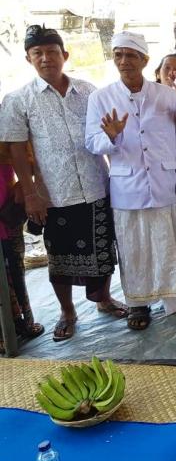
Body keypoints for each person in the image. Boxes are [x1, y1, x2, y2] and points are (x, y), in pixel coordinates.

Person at [0, 25, 125, 342]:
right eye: (38, 53)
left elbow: (105, 134)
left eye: (52, 52)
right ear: (28, 59)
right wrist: (31, 195)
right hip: (54, 194)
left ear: (64, 55)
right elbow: (17, 150)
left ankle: (104, 300)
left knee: (103, 250)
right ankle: (67, 312)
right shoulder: (18, 100)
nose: (46, 58)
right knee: (59, 259)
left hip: (96, 185)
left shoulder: (89, 91)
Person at [85, 32, 176, 329]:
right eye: (118, 55)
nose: (124, 61)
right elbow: (92, 142)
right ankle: (138, 304)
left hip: (163, 180)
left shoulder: (166, 94)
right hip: (127, 186)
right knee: (133, 247)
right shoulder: (100, 97)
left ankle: (175, 295)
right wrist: (111, 136)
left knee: (167, 240)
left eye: (131, 55)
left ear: (145, 60)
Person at [0, 145, 43, 354]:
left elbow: (29, 156)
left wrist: (23, 187)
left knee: (15, 268)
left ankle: (22, 321)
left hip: (6, 208)